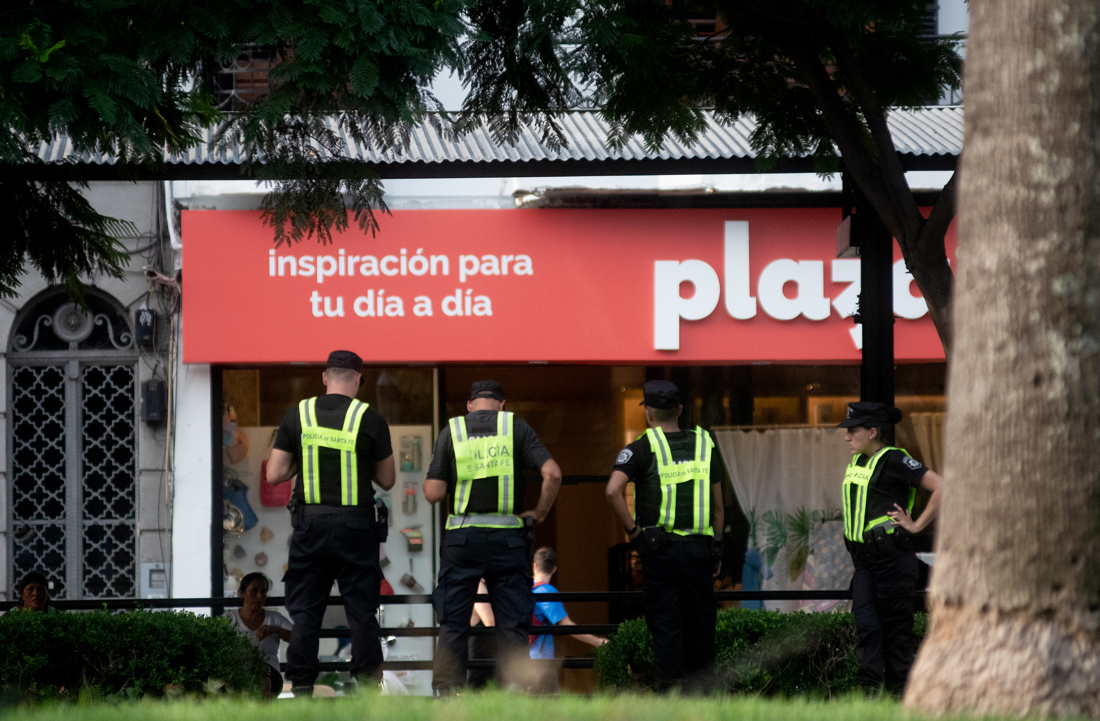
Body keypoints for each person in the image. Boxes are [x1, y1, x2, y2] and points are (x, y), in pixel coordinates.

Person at [266, 350, 396, 696]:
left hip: (310, 527)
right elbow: (388, 480)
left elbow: (275, 472)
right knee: (362, 613)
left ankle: (304, 686)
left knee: (306, 613)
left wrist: (302, 461)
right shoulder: (370, 418)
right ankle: (368, 686)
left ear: (325, 377)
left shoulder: (299, 414)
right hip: (356, 528)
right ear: (358, 380)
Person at [423, 380, 563, 694]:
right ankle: (515, 691)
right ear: (502, 404)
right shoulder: (517, 427)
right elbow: (553, 473)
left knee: (455, 621)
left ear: (470, 405)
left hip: (462, 540)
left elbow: (433, 493)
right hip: (508, 541)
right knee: (512, 623)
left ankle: (447, 691)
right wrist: (539, 512)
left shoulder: (453, 431)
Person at [604, 380, 724, 692]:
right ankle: (704, 702)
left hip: (661, 552)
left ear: (649, 413)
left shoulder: (641, 447)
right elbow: (718, 507)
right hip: (699, 550)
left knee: (667, 630)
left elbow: (613, 491)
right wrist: (717, 550)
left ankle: (671, 701)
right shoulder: (705, 444)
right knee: (701, 629)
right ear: (680, 409)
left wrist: (633, 532)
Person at [837, 401, 942, 696]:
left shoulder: (895, 459)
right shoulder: (858, 461)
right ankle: (868, 701)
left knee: (897, 643)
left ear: (872, 432)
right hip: (864, 562)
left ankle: (900, 703)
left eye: (852, 431)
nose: (846, 437)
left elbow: (942, 486)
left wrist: (917, 525)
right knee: (867, 630)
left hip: (893, 561)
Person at [529, 547, 607, 694]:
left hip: (528, 660)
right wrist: (598, 642)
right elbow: (567, 626)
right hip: (541, 662)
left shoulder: (528, 589)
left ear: (534, 566)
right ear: (554, 569)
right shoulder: (546, 592)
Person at [227, 572, 293, 698]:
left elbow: (297, 638)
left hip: (269, 674)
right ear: (241, 593)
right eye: (254, 591)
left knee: (260, 674)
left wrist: (276, 630)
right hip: (239, 672)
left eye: (263, 592)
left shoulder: (275, 619)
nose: (259, 596)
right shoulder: (229, 620)